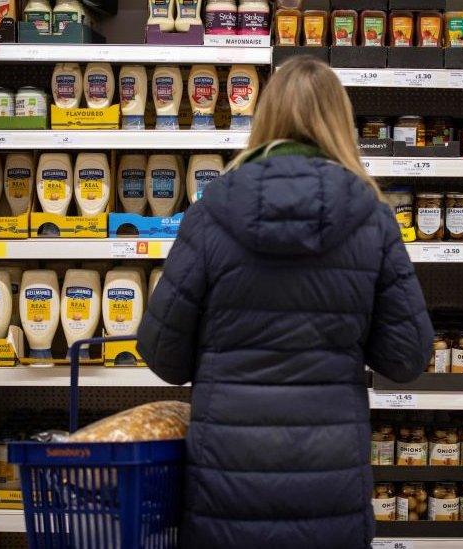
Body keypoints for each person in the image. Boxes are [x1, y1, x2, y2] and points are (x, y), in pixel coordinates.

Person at [137, 55, 434, 549]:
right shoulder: (372, 219)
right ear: (341, 124)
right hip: (328, 483)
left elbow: (163, 354)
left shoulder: (211, 213)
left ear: (264, 116)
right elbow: (406, 358)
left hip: (228, 483)